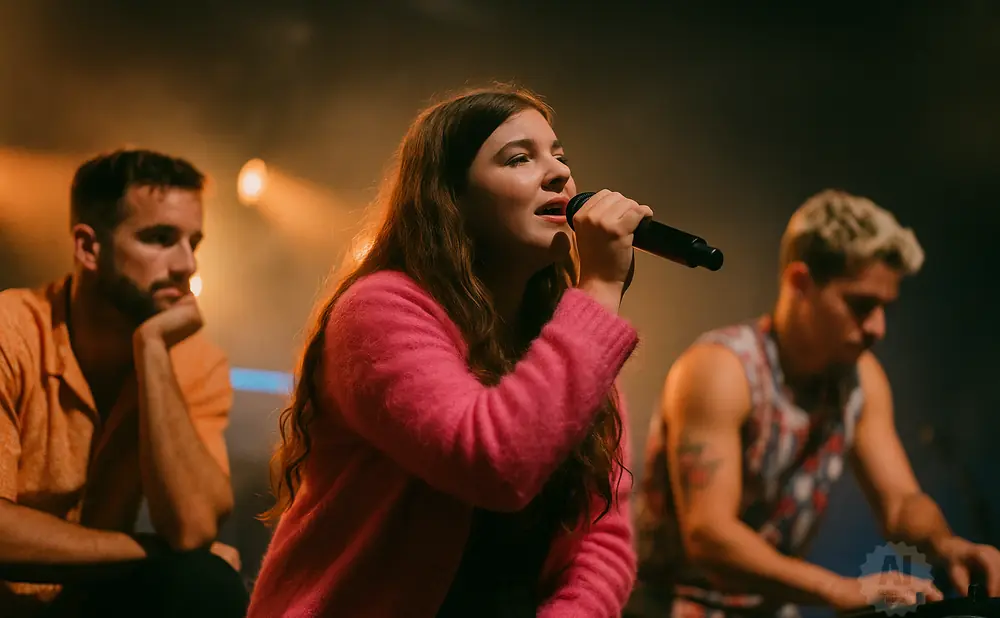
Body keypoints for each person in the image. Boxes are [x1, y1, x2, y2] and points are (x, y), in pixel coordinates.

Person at [248, 85, 653, 617]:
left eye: (560, 156)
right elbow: (494, 464)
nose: (559, 174)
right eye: (519, 158)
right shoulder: (379, 310)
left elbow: (603, 540)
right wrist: (599, 287)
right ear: (452, 197)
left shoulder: (567, 331)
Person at [629, 189, 1000, 617]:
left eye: (885, 308)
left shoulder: (861, 378)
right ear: (799, 283)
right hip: (670, 608)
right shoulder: (720, 369)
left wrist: (947, 545)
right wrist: (839, 589)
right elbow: (710, 537)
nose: (877, 328)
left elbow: (901, 503)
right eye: (861, 305)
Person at [0, 149, 248, 617]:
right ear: (88, 248)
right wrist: (147, 553)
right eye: (159, 238)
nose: (186, 264)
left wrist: (152, 349)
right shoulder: (9, 333)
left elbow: (194, 528)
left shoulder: (196, 360)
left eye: (193, 243)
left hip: (85, 603)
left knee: (207, 583)